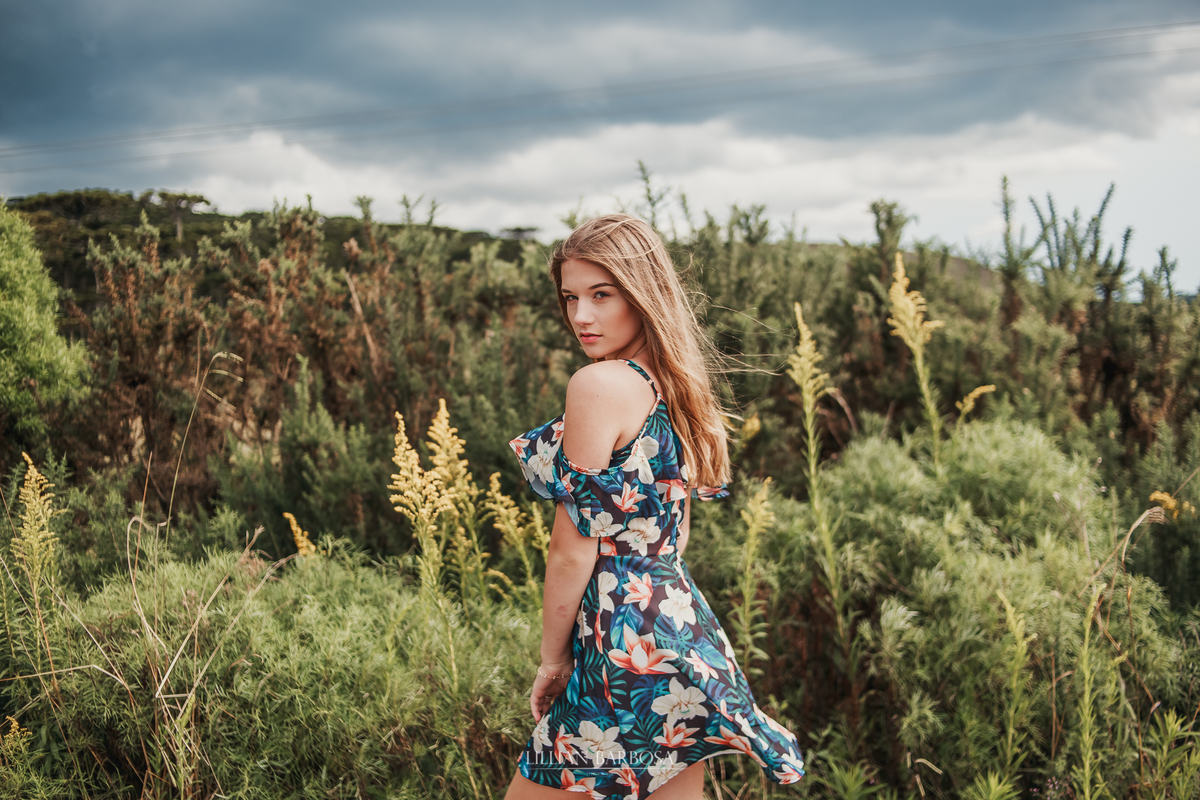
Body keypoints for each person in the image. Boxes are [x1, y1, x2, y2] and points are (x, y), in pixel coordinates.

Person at [502, 214, 805, 799]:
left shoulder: (599, 386)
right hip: (676, 623)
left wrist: (553, 659)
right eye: (570, 298)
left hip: (618, 640)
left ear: (642, 294)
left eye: (601, 295)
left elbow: (572, 549)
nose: (581, 316)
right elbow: (676, 533)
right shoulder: (675, 385)